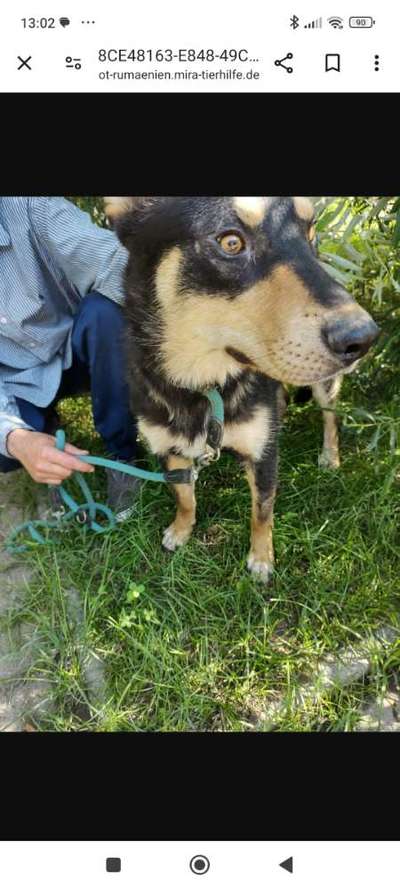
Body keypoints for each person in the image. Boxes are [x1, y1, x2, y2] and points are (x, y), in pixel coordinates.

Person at [0, 196, 142, 522]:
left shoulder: (28, 205)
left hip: (79, 349)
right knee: (3, 450)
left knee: (106, 312)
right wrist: (15, 438)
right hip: (14, 381)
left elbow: (110, 261)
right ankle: (42, 440)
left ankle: (123, 456)